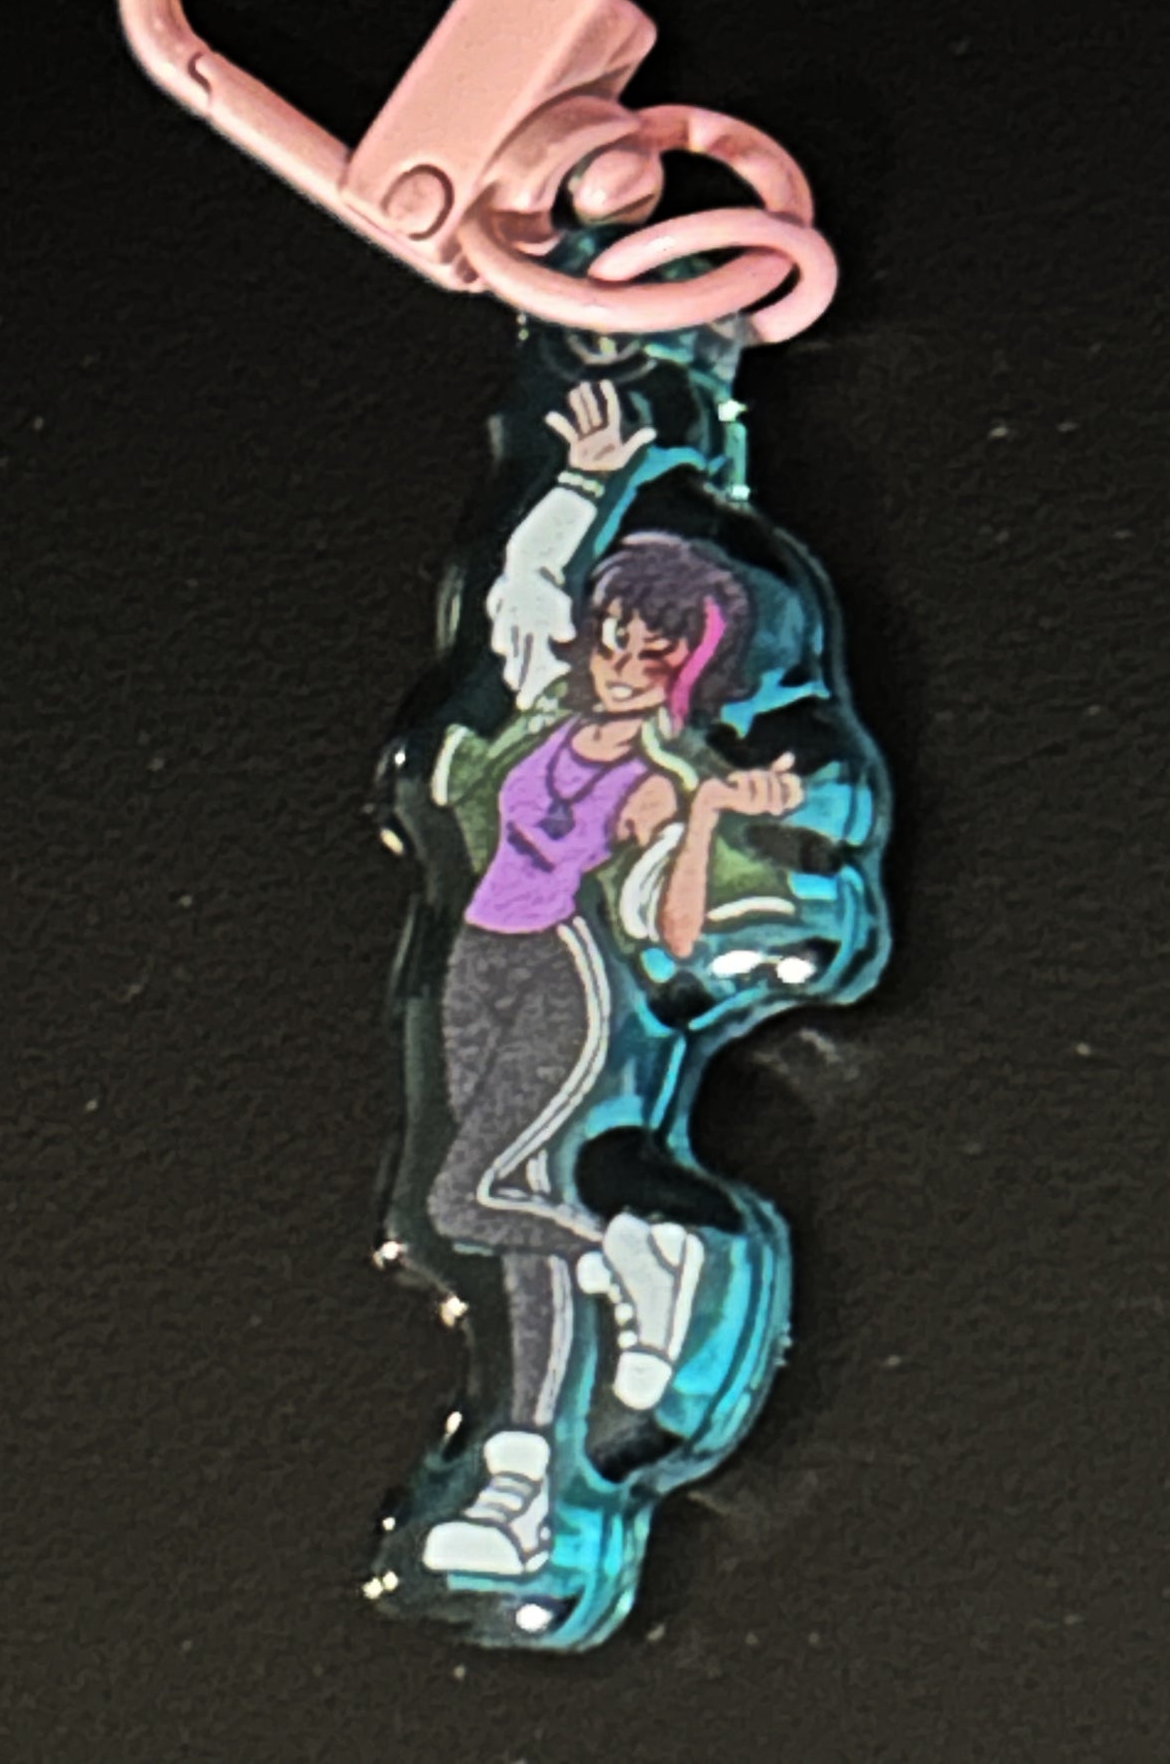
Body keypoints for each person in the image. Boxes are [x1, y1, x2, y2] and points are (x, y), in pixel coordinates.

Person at [421, 387, 804, 1580]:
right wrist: (582, 480)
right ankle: (520, 1492)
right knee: (513, 1232)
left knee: (460, 1197)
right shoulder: (543, 705)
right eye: (617, 637)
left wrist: (710, 816)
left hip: (562, 976)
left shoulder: (659, 780)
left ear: (693, 674)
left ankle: (638, 1249)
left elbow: (675, 935)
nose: (628, 664)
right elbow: (521, 586)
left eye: (659, 654)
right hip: (473, 961)